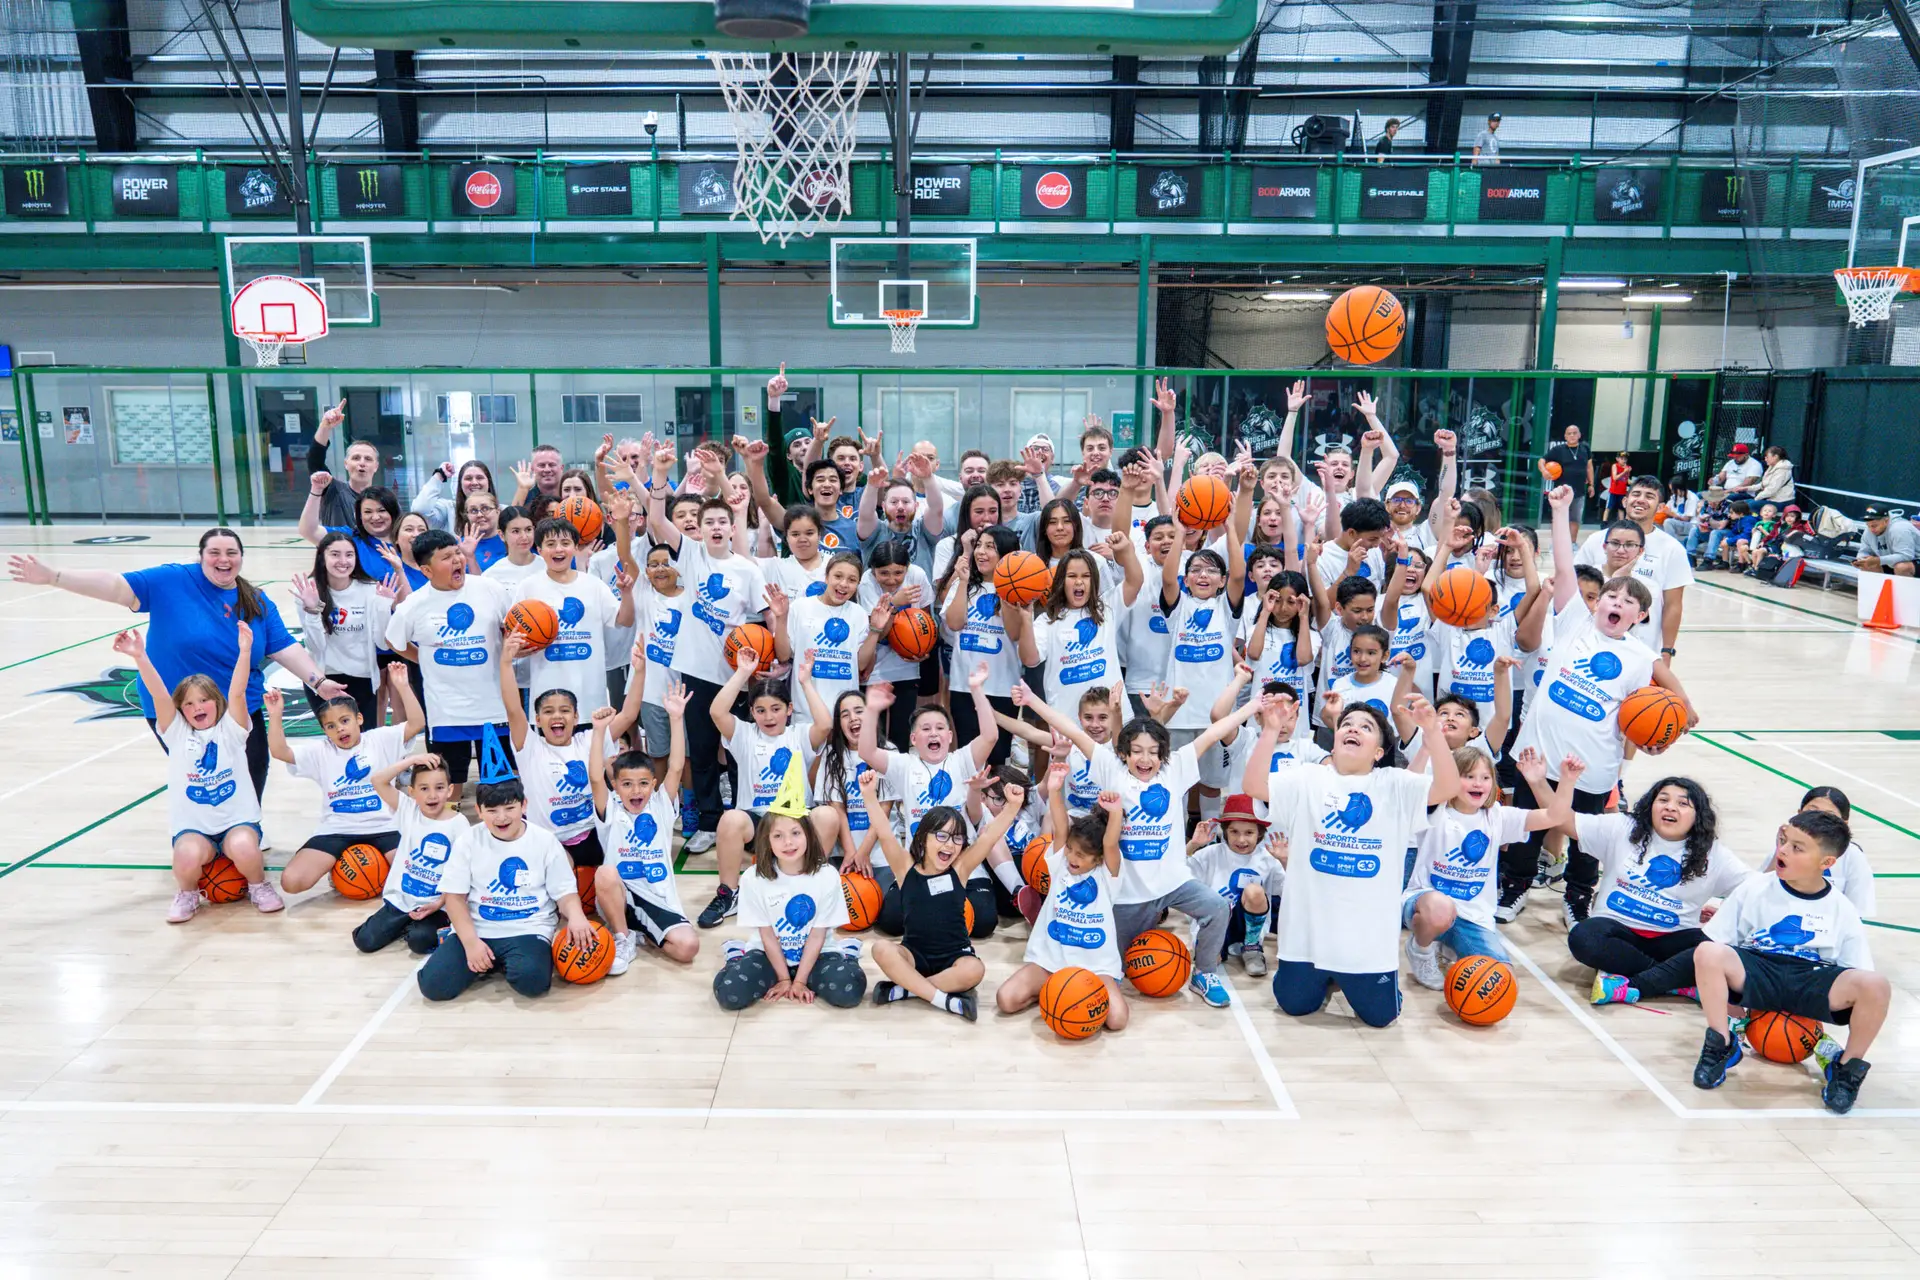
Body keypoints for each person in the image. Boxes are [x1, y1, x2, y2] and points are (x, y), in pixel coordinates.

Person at [10, 529, 343, 802]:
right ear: (201, 556)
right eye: (214, 552)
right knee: (201, 775)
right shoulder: (171, 581)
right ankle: (208, 833)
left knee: (252, 771)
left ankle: (246, 827)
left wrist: (318, 681)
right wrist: (54, 576)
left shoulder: (255, 600)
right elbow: (115, 586)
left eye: (231, 553)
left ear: (241, 558)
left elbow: (283, 647)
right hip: (175, 708)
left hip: (239, 706)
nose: (223, 560)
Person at [1500, 485, 1697, 926]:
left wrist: (1672, 725)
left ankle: (1577, 896)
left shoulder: (1640, 656)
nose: (1617, 603)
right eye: (1611, 596)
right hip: (1538, 751)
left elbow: (1673, 702)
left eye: (1629, 602)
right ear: (1598, 600)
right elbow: (1567, 564)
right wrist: (1562, 509)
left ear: (1639, 617)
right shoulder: (1575, 621)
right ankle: (1514, 888)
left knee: (1585, 839)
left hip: (1593, 764)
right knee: (1526, 829)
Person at [1012, 679, 1266, 1009]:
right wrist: (1031, 699)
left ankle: (1203, 972)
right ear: (1123, 754)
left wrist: (1252, 707)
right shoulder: (1111, 770)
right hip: (1127, 895)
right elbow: (1073, 732)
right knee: (1113, 970)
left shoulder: (1175, 770)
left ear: (1164, 754)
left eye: (1152, 752)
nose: (1144, 759)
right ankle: (1054, 979)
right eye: (1136, 752)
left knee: (1217, 908)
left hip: (1173, 881)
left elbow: (1213, 733)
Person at [1246, 698, 1459, 1027]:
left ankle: (1350, 979)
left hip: (1367, 944)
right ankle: (1329, 979)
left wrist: (1431, 731)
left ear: (1378, 751)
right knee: (1294, 1006)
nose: (1354, 728)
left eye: (1366, 727)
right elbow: (1253, 786)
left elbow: (1448, 787)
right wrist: (1270, 731)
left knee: (1381, 1018)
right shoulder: (1307, 778)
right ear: (1335, 738)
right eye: (1347, 724)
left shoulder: (1394, 784)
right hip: (1308, 938)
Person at [1692, 809, 1889, 1114]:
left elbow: (1855, 972)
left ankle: (1847, 1070)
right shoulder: (1755, 887)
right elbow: (1719, 944)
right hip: (1760, 969)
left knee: (1876, 984)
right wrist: (1734, 1008)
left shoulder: (1842, 908)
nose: (1782, 850)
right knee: (1707, 952)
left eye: (1797, 848)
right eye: (1784, 841)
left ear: (1827, 863)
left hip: (1811, 978)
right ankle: (1721, 1043)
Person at [645, 446, 768, 853]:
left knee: (737, 753)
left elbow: (763, 620)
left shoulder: (748, 570)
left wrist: (751, 645)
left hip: (736, 676)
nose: (716, 526)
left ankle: (745, 819)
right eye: (707, 521)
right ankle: (711, 822)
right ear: (698, 528)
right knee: (700, 751)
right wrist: (659, 473)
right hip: (696, 671)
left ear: (733, 528)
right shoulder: (692, 555)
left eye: (722, 521)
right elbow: (659, 519)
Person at [113, 623, 277, 923]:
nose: (196, 707)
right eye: (188, 703)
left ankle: (258, 886)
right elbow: (160, 694)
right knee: (186, 855)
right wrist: (140, 657)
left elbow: (238, 692)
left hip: (235, 822)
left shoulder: (232, 730)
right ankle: (187, 893)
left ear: (217, 703)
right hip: (195, 829)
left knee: (243, 847)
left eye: (204, 700)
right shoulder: (175, 733)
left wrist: (244, 651)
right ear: (182, 711)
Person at [1566, 776, 1753, 1005]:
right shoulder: (1623, 827)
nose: (1670, 806)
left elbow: (1758, 888)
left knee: (1718, 950)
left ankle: (1632, 983)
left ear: (1698, 816)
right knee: (1583, 937)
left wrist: (1781, 851)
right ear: (1650, 805)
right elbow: (1563, 820)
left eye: (1683, 803)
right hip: (1618, 931)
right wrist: (1546, 781)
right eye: (1663, 799)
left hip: (1674, 941)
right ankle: (1676, 984)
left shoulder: (1714, 854)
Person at [1402, 747, 1577, 988]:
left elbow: (1554, 817)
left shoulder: (1498, 816)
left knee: (1501, 983)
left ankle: (1449, 944)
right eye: (1469, 776)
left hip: (1472, 916)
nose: (1478, 783)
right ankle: (1421, 949)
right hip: (1426, 904)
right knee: (1440, 909)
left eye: (1485, 777)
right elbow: (1410, 787)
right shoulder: (1436, 809)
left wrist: (1565, 781)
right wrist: (1425, 747)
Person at [416, 769, 596, 1002]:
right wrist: (471, 944)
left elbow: (564, 892)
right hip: (479, 927)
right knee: (433, 986)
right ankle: (486, 957)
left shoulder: (545, 841)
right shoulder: (468, 841)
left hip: (528, 927)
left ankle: (497, 961)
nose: (501, 817)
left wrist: (577, 917)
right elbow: (454, 898)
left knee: (533, 982)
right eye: (492, 810)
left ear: (524, 805)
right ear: (479, 811)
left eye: (509, 808)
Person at [859, 772, 1025, 1021]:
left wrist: (1013, 806)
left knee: (975, 970)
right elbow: (884, 833)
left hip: (954, 957)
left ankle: (907, 990)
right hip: (914, 955)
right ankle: (943, 999)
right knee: (881, 949)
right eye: (942, 835)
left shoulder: (960, 869)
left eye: (957, 838)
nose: (950, 844)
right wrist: (869, 795)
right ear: (923, 838)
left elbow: (989, 837)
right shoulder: (905, 868)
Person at [711, 755, 868, 1011]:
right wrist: (784, 979)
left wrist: (801, 980)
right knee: (730, 995)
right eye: (778, 836)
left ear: (808, 835)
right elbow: (767, 935)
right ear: (767, 841)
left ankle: (847, 954)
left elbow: (817, 935)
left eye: (796, 833)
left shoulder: (827, 875)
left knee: (849, 991)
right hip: (768, 952)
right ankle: (735, 958)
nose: (788, 843)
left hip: (818, 953)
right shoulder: (753, 878)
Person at [698, 649, 840, 927]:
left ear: (789, 709)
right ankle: (729, 893)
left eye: (776, 708)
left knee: (827, 815)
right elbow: (716, 711)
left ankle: (810, 885)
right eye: (760, 710)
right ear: (751, 713)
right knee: (730, 819)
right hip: (759, 824)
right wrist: (742, 672)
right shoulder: (744, 735)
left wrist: (806, 682)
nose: (768, 716)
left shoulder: (797, 734)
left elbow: (825, 724)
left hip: (797, 818)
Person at [994, 762, 1131, 1032]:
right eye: (1070, 849)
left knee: (1117, 1020)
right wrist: (1055, 790)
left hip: (1096, 967)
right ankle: (1057, 993)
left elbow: (1110, 843)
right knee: (1006, 1000)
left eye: (1081, 855)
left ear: (1098, 859)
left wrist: (1115, 814)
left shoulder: (1108, 875)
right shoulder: (1060, 865)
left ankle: (1078, 993)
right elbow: (1059, 823)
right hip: (1051, 961)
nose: (1071, 857)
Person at [267, 663, 424, 897]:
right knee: (292, 882)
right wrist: (275, 715)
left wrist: (402, 686)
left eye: (344, 721)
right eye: (330, 726)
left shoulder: (380, 739)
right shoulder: (320, 751)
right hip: (337, 829)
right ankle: (340, 862)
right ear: (324, 730)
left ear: (358, 719)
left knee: (419, 879)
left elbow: (417, 723)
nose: (339, 729)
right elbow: (280, 752)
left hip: (385, 826)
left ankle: (372, 860)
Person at [384, 528, 516, 797]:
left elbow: (511, 629)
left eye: (457, 553)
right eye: (446, 557)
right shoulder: (414, 605)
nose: (457, 560)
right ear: (427, 571)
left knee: (501, 788)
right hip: (446, 713)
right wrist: (422, 658)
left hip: (494, 709)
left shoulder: (489, 588)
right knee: (449, 790)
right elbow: (393, 641)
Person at [589, 677, 699, 977]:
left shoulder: (661, 806)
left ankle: (643, 931)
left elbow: (675, 766)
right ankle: (623, 936)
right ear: (616, 785)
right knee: (606, 872)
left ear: (653, 784)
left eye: (642, 784)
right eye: (626, 784)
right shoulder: (609, 806)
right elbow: (596, 778)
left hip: (655, 897)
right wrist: (599, 732)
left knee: (688, 949)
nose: (635, 791)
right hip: (619, 893)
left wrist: (676, 719)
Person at [513, 515, 634, 719]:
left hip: (591, 698)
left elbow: (625, 620)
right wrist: (519, 648)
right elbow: (514, 637)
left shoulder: (593, 585)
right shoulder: (528, 587)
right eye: (551, 544)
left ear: (575, 548)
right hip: (546, 699)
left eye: (565, 543)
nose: (559, 549)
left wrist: (627, 593)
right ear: (540, 551)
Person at [352, 753, 467, 955]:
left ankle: (426, 928)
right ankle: (406, 925)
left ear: (449, 790)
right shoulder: (408, 810)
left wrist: (440, 902)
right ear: (412, 792)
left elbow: (463, 873)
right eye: (424, 789)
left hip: (438, 905)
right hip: (402, 900)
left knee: (419, 942)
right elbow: (377, 780)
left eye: (439, 788)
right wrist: (412, 761)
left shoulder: (459, 824)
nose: (432, 795)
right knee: (364, 940)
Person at [1574, 474, 1691, 666]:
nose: (1641, 500)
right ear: (1625, 500)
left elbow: (1673, 605)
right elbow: (1574, 588)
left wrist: (1667, 652)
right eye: (1636, 493)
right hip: (1590, 645)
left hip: (1642, 650)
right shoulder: (1597, 540)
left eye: (1650, 496)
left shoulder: (1672, 548)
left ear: (1661, 507)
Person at [1185, 792, 1288, 978]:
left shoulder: (1268, 859)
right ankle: (1215, 947)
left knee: (1255, 891)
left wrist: (1285, 862)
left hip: (1248, 925)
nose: (1241, 840)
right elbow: (1176, 875)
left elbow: (1291, 892)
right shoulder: (1210, 854)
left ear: (1259, 834)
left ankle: (1252, 947)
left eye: (1249, 832)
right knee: (1209, 963)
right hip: (1215, 923)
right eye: (1234, 832)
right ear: (1224, 831)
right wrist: (1192, 845)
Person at [1797, 786, 1877, 916]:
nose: (1818, 819)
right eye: (1812, 811)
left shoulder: (1853, 856)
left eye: (1829, 815)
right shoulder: (1786, 847)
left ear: (1844, 823)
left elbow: (1858, 909)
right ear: (1799, 813)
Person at [307, 398, 378, 531]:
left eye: (368, 459)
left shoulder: (384, 499)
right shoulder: (332, 490)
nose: (362, 463)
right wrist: (325, 426)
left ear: (376, 466)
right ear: (346, 464)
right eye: (356, 458)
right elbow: (314, 459)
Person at [411, 459, 497, 535]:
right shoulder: (449, 509)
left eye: (479, 478)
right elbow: (419, 511)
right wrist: (439, 475)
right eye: (468, 478)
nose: (474, 482)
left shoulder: (501, 510)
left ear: (488, 482)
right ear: (460, 484)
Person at [1542, 424, 1595, 527]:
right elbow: (1541, 460)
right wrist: (1544, 471)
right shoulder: (1558, 450)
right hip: (1561, 490)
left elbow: (1589, 467)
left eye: (1574, 433)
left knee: (1575, 519)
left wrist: (1591, 484)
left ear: (1579, 435)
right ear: (1565, 436)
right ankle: (1556, 542)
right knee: (1558, 518)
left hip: (1579, 490)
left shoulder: (1585, 449)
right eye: (1569, 434)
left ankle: (1573, 543)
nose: (1572, 436)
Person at [1854, 505, 1918, 576]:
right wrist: (1860, 560)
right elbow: (1864, 551)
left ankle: (1906, 587)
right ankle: (1880, 587)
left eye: (1874, 526)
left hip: (1915, 560)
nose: (1871, 529)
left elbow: (1906, 556)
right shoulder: (1869, 530)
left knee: (1902, 567)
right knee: (1867, 565)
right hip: (1892, 563)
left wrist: (1878, 560)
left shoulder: (1899, 528)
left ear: (1886, 521)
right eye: (1868, 525)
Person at [1603, 453, 1631, 522]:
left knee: (1621, 508)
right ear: (1617, 459)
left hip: (1622, 492)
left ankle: (1621, 523)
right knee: (1608, 507)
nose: (1624, 460)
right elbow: (1615, 477)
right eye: (1622, 458)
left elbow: (1627, 479)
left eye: (1625, 459)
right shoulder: (1615, 466)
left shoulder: (1627, 468)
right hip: (1613, 491)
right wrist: (1624, 472)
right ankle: (1604, 522)